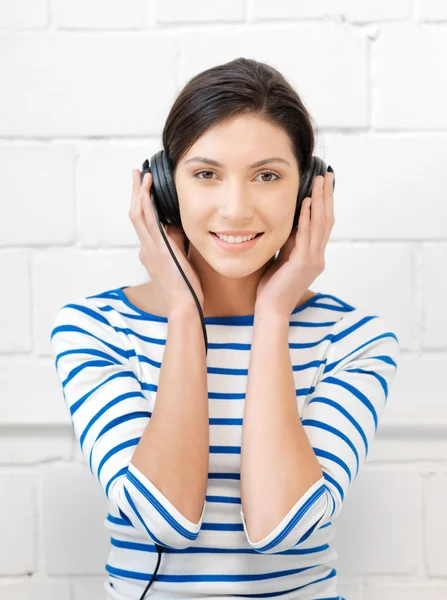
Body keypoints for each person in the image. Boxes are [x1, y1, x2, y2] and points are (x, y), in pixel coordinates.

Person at [49, 58, 400, 600]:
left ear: (308, 191)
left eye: (267, 176)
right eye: (206, 174)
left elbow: (283, 529)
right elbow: (159, 519)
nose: (235, 210)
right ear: (165, 189)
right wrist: (185, 313)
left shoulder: (355, 340)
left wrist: (273, 314)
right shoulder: (95, 330)